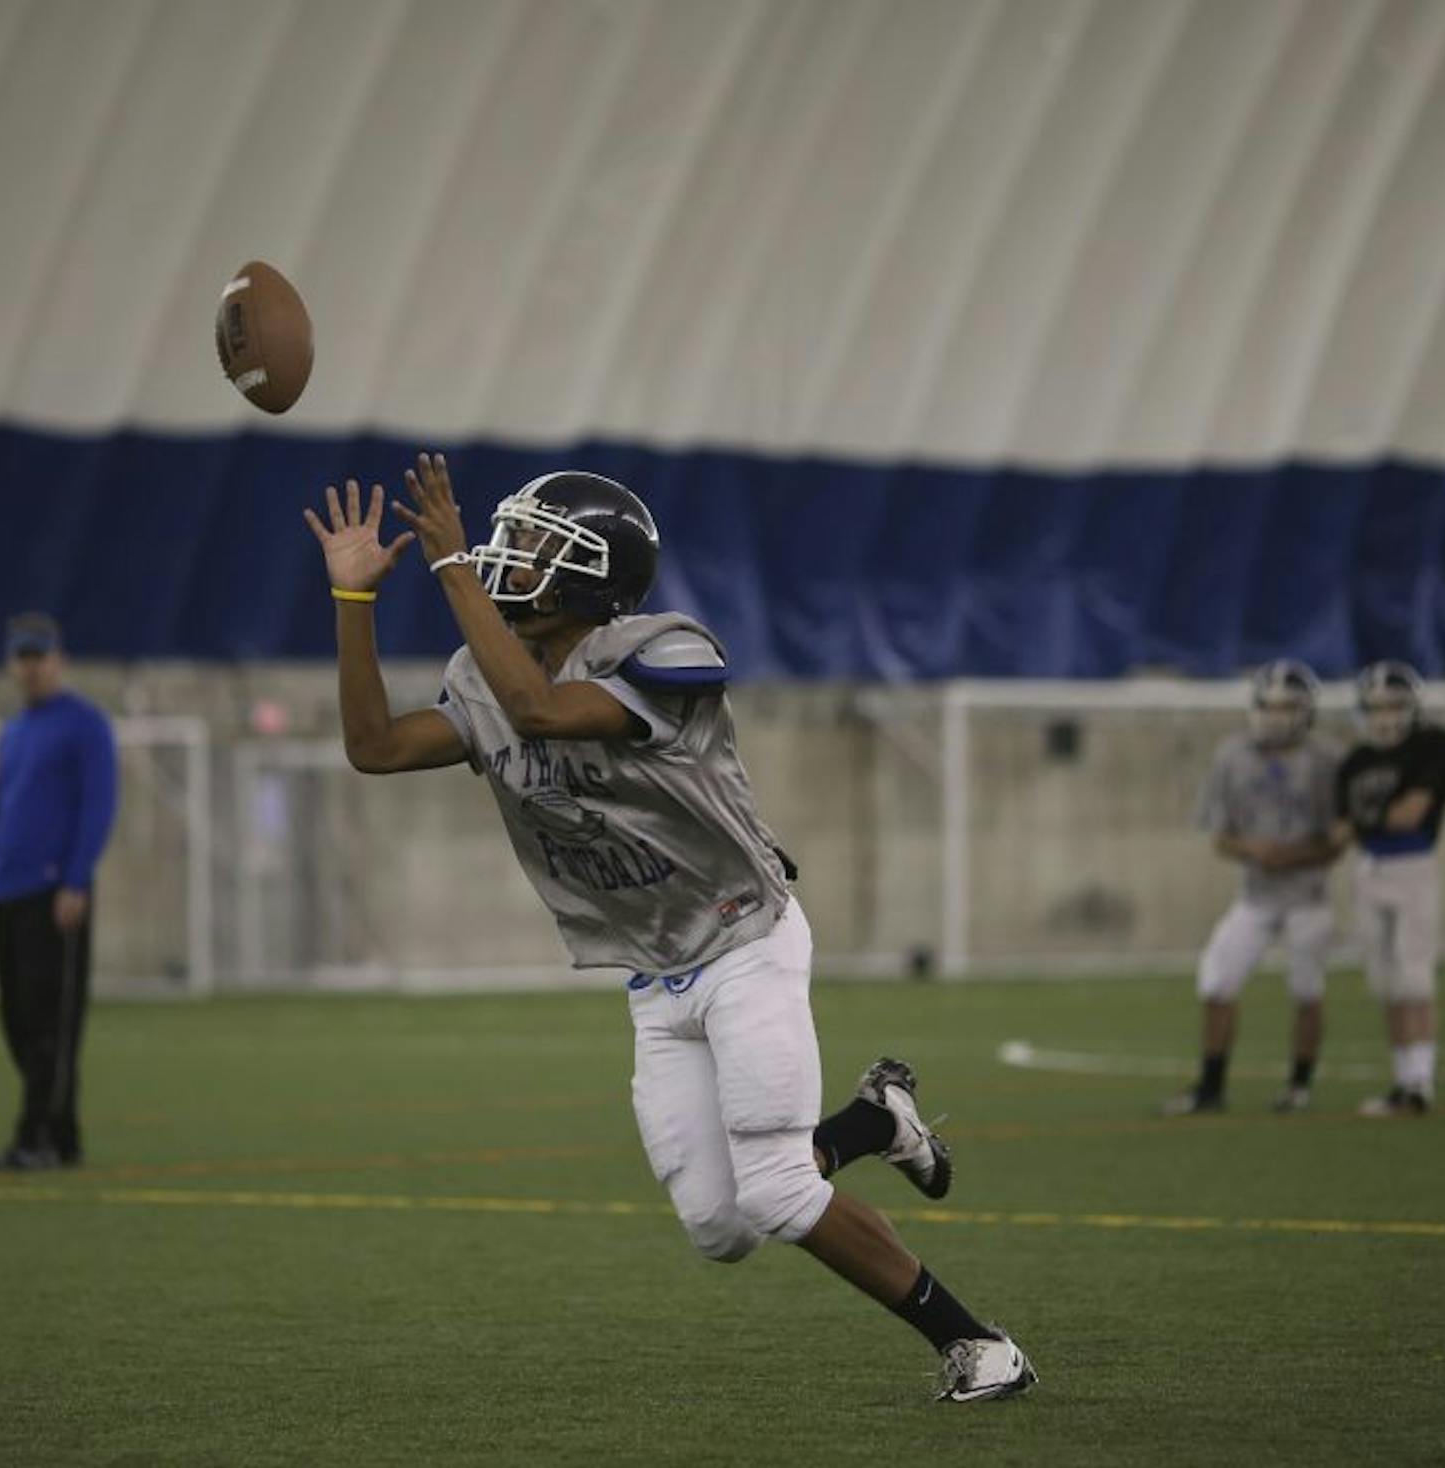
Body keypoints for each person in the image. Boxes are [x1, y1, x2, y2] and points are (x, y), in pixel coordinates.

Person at [302, 453, 1035, 1403]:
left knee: (774, 1191)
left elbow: (540, 709)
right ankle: (871, 1121)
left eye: (534, 544)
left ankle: (980, 1346)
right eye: (511, 537)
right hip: (653, 973)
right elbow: (374, 748)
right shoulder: (479, 675)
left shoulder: (667, 649)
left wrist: (446, 566)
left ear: (593, 579)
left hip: (744, 941)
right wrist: (352, 603)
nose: (506, 554)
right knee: (721, 1228)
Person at [0, 613, 118, 1169]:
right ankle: (64, 1137)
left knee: (53, 1022)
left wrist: (76, 878)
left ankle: (36, 1139)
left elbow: (99, 805)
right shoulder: (13, 731)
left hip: (54, 891)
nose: (30, 667)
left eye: (39, 656)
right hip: (7, 889)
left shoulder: (85, 725)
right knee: (18, 1021)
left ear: (59, 659)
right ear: (11, 664)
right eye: (21, 657)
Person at [1163, 660, 1343, 1116]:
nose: (1276, 715)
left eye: (1287, 706)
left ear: (1306, 711)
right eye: (1268, 705)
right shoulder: (1233, 755)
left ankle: (1299, 1087)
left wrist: (1295, 854)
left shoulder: (1326, 761)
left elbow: (1341, 836)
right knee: (1217, 981)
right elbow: (1220, 837)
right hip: (1256, 896)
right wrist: (1255, 850)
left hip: (1308, 895)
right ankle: (1211, 1086)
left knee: (1307, 990)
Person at [1333, 661, 1445, 1117]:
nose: (1385, 714)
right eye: (1376, 705)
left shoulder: (1434, 746)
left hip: (1413, 865)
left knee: (1414, 975)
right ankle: (1401, 1079)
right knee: (1386, 982)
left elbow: (1410, 815)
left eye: (1394, 704)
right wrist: (1365, 825)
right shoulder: (1355, 760)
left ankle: (1421, 1082)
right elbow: (1338, 830)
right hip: (1370, 868)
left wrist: (1361, 824)